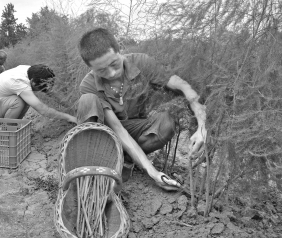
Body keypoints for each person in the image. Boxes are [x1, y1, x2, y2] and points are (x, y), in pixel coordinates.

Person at [76, 28, 207, 191]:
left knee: (167, 120)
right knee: (87, 101)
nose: (111, 73)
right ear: (90, 67)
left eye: (114, 64)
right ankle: (97, 164)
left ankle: (127, 158)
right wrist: (153, 172)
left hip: (136, 128)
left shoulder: (142, 62)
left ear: (119, 51)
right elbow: (117, 129)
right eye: (101, 70)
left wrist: (202, 127)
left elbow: (185, 87)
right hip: (107, 135)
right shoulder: (88, 85)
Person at [0, 64, 77, 124]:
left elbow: (50, 91)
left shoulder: (31, 71)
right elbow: (42, 109)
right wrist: (69, 117)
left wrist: (72, 109)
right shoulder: (19, 82)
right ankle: (5, 133)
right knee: (19, 101)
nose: (41, 90)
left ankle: (11, 127)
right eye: (40, 88)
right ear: (32, 81)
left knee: (25, 99)